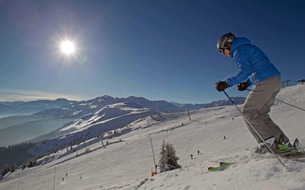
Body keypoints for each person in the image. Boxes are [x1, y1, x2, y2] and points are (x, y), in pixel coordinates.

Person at [214, 32, 293, 154]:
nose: (223, 55)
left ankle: (268, 144)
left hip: (266, 81)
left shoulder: (239, 50)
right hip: (274, 79)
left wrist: (226, 83)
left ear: (226, 45)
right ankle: (284, 144)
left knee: (248, 112)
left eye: (221, 51)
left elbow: (244, 71)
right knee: (262, 114)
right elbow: (258, 68)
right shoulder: (247, 47)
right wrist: (247, 83)